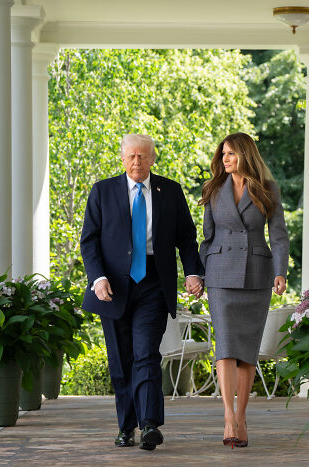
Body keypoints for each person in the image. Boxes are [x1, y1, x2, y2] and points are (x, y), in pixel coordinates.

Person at [80, 134, 205, 451]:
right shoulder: (103, 191)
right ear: (122, 158)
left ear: (152, 158)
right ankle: (126, 427)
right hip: (113, 286)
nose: (137, 162)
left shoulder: (170, 191)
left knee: (147, 353)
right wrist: (98, 278)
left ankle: (149, 425)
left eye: (143, 156)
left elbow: (187, 238)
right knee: (121, 360)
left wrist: (192, 272)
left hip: (153, 282)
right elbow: (89, 241)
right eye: (131, 156)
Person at [198, 132, 289, 448]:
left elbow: (278, 236)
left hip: (256, 274)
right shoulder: (212, 190)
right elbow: (207, 238)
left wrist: (281, 272)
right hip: (220, 273)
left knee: (247, 350)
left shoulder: (267, 189)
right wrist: (196, 274)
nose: (225, 158)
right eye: (223, 153)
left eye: (232, 153)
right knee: (224, 346)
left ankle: (242, 415)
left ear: (246, 155)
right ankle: (228, 416)